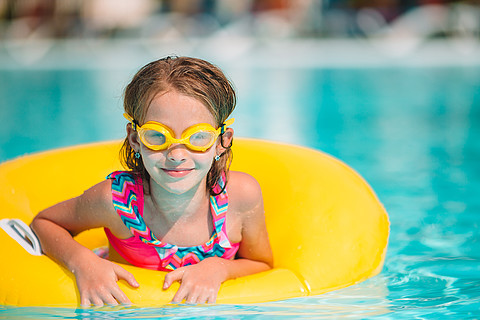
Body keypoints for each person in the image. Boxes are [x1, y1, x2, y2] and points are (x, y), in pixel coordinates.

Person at [30, 56, 273, 306]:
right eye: (157, 136)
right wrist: (83, 262)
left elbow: (262, 264)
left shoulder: (241, 197)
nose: (177, 155)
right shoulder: (116, 202)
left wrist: (219, 268)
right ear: (135, 138)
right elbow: (45, 222)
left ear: (223, 141)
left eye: (198, 137)